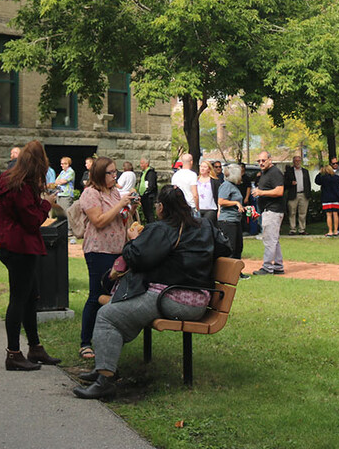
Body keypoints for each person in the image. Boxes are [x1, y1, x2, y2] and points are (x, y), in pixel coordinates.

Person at [73, 184, 231, 400]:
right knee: (114, 309)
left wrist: (133, 239)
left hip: (173, 298)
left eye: (157, 204)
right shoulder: (205, 225)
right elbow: (225, 248)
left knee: (107, 316)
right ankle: (104, 367)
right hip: (199, 299)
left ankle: (105, 382)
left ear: (162, 208)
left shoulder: (162, 229)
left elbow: (136, 257)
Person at [0, 141, 61, 370]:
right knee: (19, 299)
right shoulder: (21, 185)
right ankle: (13, 353)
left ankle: (35, 347)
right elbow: (31, 220)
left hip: (7, 243)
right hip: (19, 245)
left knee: (30, 297)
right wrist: (46, 204)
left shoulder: (8, 179)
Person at [78, 156, 135, 361]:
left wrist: (130, 206)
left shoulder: (114, 192)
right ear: (100, 174)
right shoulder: (90, 193)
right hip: (98, 250)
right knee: (96, 295)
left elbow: (121, 219)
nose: (115, 176)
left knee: (112, 297)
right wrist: (120, 203)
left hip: (117, 250)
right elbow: (99, 221)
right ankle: (85, 342)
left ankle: (105, 337)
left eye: (115, 172)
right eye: (111, 173)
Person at [252, 151, 285, 275]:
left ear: (270, 160)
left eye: (263, 160)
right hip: (268, 210)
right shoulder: (265, 173)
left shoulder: (275, 172)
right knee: (274, 239)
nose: (261, 163)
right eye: (259, 161)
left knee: (269, 239)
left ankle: (267, 267)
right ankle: (278, 266)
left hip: (273, 210)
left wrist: (261, 193)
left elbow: (279, 191)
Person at [217, 164, 247, 270]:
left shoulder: (233, 186)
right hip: (227, 221)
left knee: (238, 247)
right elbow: (221, 201)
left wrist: (244, 207)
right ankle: (227, 272)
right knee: (231, 247)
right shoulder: (226, 185)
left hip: (235, 219)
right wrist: (235, 203)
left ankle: (237, 271)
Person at [283, 154, 310, 235]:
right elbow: (284, 183)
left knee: (303, 213)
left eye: (299, 161)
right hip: (293, 194)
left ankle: (302, 229)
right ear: (293, 162)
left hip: (303, 194)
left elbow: (308, 183)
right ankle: (292, 229)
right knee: (292, 212)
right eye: (296, 161)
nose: (297, 162)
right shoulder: (289, 171)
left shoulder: (305, 171)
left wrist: (308, 194)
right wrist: (291, 183)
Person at [317, 162, 339, 236]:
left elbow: (317, 181)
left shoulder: (323, 178)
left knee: (328, 214)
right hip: (336, 198)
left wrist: (320, 173)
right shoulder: (337, 177)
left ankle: (330, 231)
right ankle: (336, 231)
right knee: (335, 214)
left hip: (326, 198)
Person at [196, 160, 218, 226]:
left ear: (209, 169)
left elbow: (218, 195)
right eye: (201, 166)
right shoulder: (195, 180)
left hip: (210, 208)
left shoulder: (214, 181)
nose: (202, 168)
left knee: (206, 226)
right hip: (198, 209)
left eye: (205, 167)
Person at [137, 157, 157, 223]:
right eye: (140, 163)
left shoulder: (150, 173)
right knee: (146, 214)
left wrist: (146, 192)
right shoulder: (143, 172)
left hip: (148, 197)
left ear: (147, 164)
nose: (141, 165)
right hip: (143, 197)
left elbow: (151, 185)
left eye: (142, 163)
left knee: (149, 214)